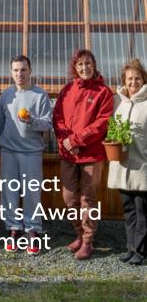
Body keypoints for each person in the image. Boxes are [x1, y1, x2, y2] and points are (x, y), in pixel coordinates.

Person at [53, 49, 113, 260]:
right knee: (69, 197)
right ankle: (79, 233)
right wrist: (66, 141)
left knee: (88, 198)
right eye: (80, 64)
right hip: (69, 153)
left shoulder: (103, 92)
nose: (84, 68)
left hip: (91, 154)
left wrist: (76, 140)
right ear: (75, 68)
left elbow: (102, 123)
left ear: (94, 65)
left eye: (88, 64)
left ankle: (88, 240)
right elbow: (58, 118)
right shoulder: (67, 90)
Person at [0, 55, 52, 255]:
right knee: (9, 192)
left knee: (32, 192)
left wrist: (31, 120)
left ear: (30, 71)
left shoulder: (40, 95)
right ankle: (13, 229)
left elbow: (47, 124)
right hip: (9, 150)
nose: (19, 74)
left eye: (23, 70)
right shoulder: (6, 95)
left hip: (32, 152)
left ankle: (33, 229)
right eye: (16, 70)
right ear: (11, 72)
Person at [108, 59, 147, 266]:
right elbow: (113, 131)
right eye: (130, 78)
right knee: (129, 210)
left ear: (144, 80)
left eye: (137, 78)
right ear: (124, 80)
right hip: (122, 167)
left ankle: (140, 251)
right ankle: (131, 248)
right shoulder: (120, 103)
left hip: (142, 167)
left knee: (143, 213)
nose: (133, 82)